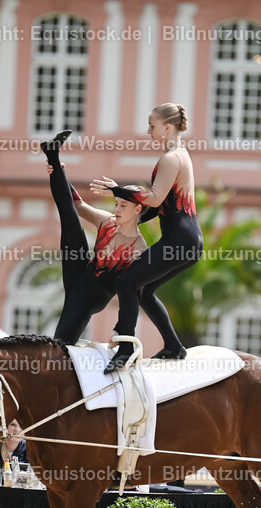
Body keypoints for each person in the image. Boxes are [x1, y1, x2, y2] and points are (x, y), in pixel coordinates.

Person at [90, 102, 202, 372]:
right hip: (187, 240)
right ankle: (174, 346)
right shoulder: (179, 155)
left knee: (127, 282)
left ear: (167, 127)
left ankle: (126, 348)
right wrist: (131, 217)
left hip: (179, 241)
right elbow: (161, 205)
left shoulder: (171, 158)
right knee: (144, 290)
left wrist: (118, 190)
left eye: (152, 125)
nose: (148, 130)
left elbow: (154, 198)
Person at [40, 130, 150, 344]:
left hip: (92, 296)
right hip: (81, 271)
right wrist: (59, 174)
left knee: (61, 344)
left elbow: (133, 296)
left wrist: (123, 333)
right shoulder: (107, 221)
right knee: (70, 217)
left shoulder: (139, 249)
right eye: (116, 204)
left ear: (138, 209)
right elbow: (77, 205)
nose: (117, 209)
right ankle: (52, 154)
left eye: (123, 205)